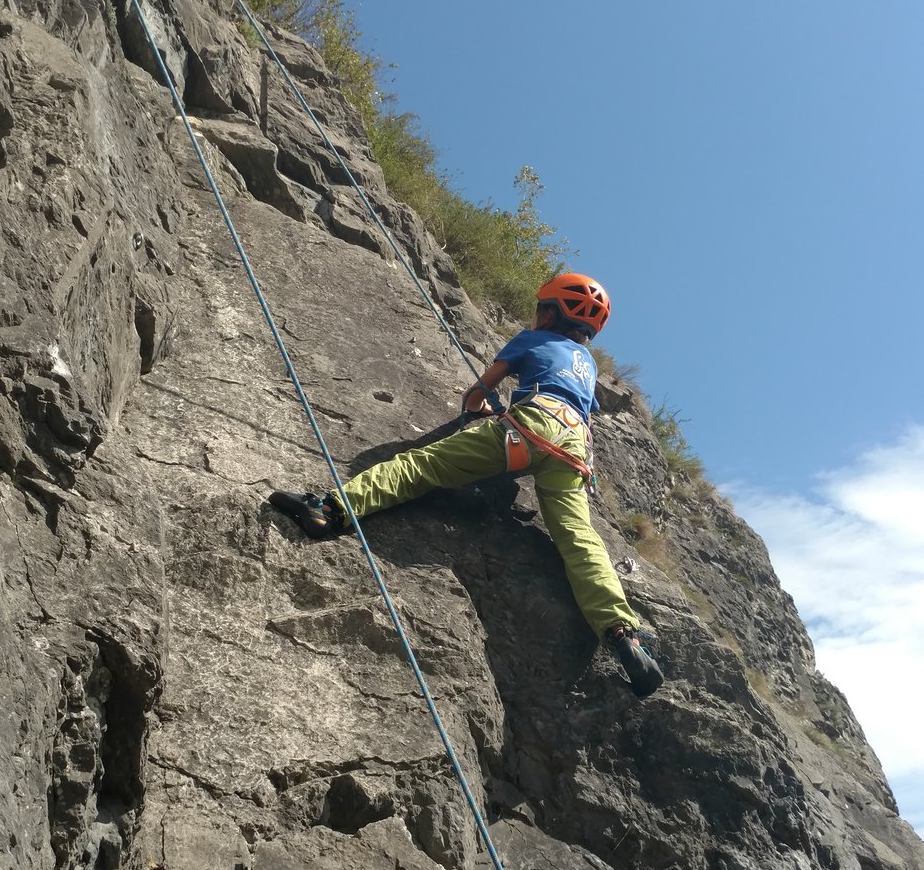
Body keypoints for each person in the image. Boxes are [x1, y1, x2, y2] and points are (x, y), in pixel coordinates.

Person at [270, 273, 663, 696]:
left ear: (550, 313)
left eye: (540, 309)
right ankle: (623, 634)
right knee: (580, 538)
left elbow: (479, 392)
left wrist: (479, 408)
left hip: (531, 427)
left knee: (420, 466)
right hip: (574, 451)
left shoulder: (532, 339)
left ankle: (329, 510)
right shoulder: (587, 365)